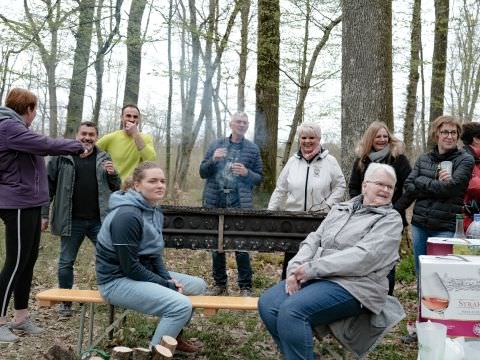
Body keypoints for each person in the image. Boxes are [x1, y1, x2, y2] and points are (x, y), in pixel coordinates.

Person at [259, 164, 404, 360]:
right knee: (268, 304)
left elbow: (364, 257)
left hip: (357, 286)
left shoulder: (390, 220)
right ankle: (304, 355)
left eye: (390, 187)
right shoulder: (341, 209)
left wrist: (311, 269)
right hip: (321, 276)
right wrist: (295, 269)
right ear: (364, 186)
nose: (386, 190)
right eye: (380, 184)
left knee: (292, 310)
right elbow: (314, 238)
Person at [0, 88, 85, 343]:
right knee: (15, 262)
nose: (34, 115)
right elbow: (45, 145)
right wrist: (76, 146)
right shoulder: (8, 127)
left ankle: (21, 317)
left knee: (28, 261)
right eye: (34, 110)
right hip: (16, 202)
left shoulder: (16, 129)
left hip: (30, 202)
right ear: (28, 109)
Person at [95, 161, 207, 354]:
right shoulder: (127, 216)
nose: (160, 185)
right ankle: (155, 354)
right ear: (137, 185)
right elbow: (129, 267)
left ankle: (173, 337)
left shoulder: (153, 209)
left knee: (198, 286)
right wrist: (167, 285)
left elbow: (154, 254)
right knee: (180, 306)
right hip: (116, 280)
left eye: (162, 181)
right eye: (153, 181)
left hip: (138, 272)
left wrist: (167, 279)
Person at [42, 121, 121, 317]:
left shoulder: (104, 157)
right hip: (71, 220)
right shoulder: (62, 156)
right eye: (83, 133)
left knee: (111, 258)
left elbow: (116, 188)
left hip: (99, 221)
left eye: (91, 134)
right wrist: (44, 214)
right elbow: (47, 187)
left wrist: (113, 174)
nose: (87, 137)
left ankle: (116, 297)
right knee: (66, 262)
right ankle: (66, 302)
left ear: (96, 137)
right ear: (77, 135)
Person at [396, 115, 473, 275]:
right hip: (419, 225)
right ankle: (420, 301)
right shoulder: (424, 159)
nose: (449, 136)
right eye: (445, 132)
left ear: (458, 136)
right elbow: (409, 185)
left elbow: (451, 189)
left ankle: (439, 301)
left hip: (445, 227)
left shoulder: (465, 160)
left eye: (453, 132)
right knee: (421, 270)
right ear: (436, 134)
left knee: (440, 273)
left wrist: (421, 181)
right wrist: (434, 181)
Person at [268, 122, 345, 279]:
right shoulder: (292, 162)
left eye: (312, 137)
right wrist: (270, 213)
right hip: (293, 220)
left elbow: (340, 186)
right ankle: (286, 288)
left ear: (319, 139)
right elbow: (280, 189)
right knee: (292, 257)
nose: (307, 141)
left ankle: (312, 293)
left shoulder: (330, 161)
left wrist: (328, 206)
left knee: (315, 257)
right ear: (299, 139)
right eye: (304, 137)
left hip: (320, 220)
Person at [199, 112, 263, 296]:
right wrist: (214, 160)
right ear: (231, 124)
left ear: (247, 126)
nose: (241, 125)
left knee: (241, 245)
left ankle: (245, 286)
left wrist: (246, 173)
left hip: (239, 202)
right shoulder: (216, 145)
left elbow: (259, 178)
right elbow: (203, 172)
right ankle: (220, 285)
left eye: (245, 122)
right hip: (216, 200)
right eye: (238, 122)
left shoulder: (252, 149)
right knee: (216, 245)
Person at [349, 121, 411, 294]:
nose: (382, 139)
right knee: (365, 256)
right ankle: (365, 296)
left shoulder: (398, 159)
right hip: (365, 218)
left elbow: (411, 188)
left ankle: (386, 298)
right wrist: (360, 206)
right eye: (378, 136)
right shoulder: (362, 160)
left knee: (387, 260)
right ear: (371, 138)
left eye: (385, 136)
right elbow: (354, 186)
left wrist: (397, 209)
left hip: (391, 217)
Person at [96, 104, 156, 181]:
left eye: (135, 117)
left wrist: (135, 134)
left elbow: (151, 160)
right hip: (114, 187)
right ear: (121, 118)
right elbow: (92, 152)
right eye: (128, 116)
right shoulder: (110, 138)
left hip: (135, 188)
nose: (132, 119)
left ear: (139, 119)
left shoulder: (146, 138)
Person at [460, 122, 480, 230]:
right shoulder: (464, 157)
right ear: (476, 139)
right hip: (467, 220)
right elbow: (474, 186)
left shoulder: (477, 158)